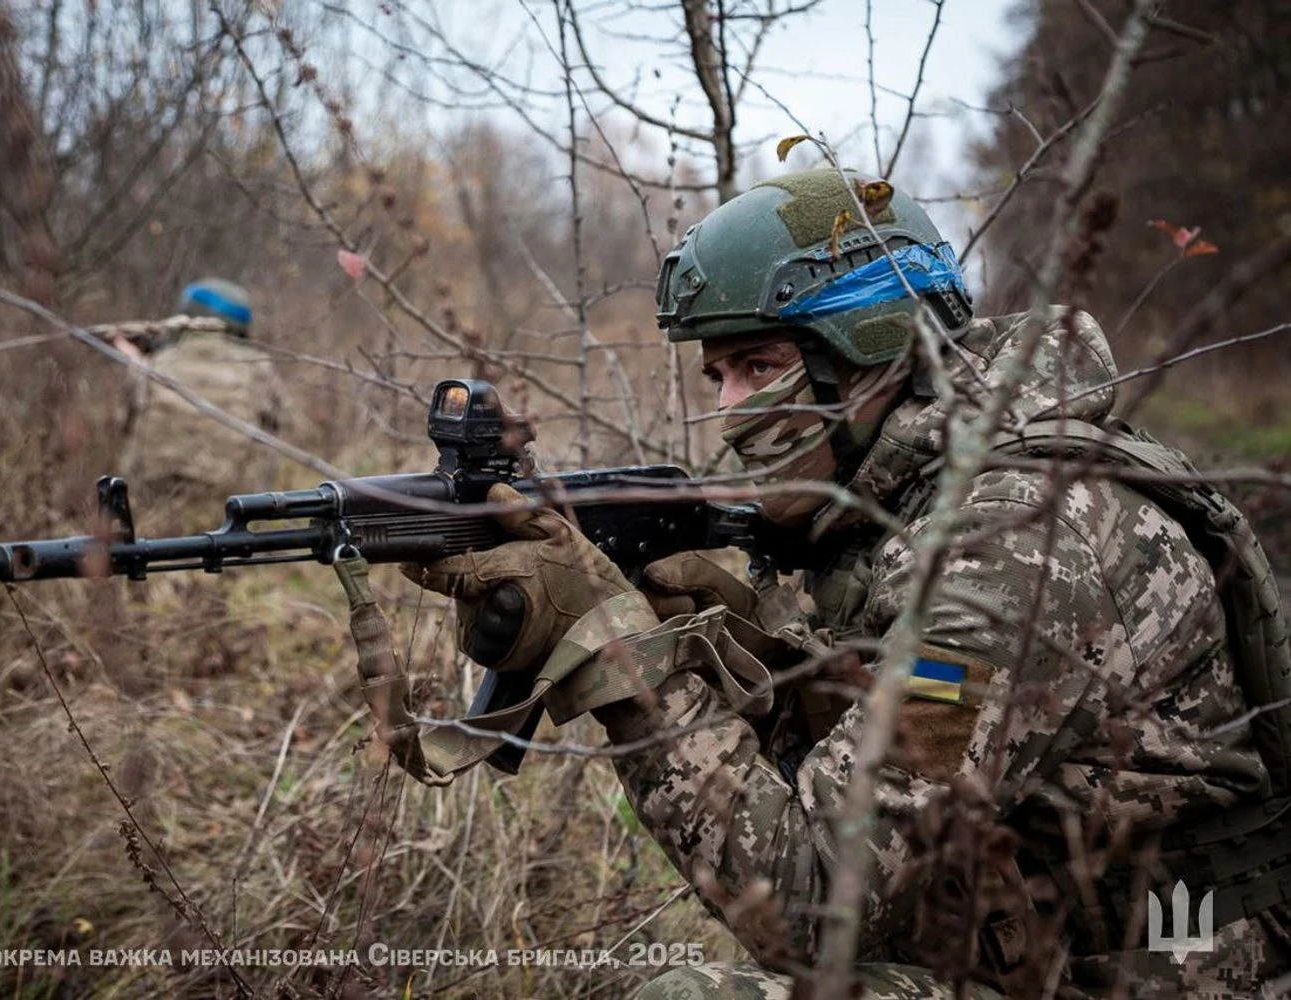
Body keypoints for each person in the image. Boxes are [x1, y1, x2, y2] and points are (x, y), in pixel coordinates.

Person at [405, 170, 1291, 998]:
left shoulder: (1014, 550)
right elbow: (881, 763)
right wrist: (717, 640)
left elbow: (815, 902)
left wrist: (619, 655)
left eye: (759, 367)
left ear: (873, 349)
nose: (729, 410)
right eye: (716, 374)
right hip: (1020, 937)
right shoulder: (911, 497)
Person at [116, 278, 288, 519]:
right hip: (234, 503)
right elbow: (278, 425)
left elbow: (123, 422)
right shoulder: (258, 367)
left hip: (154, 503)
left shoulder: (152, 364)